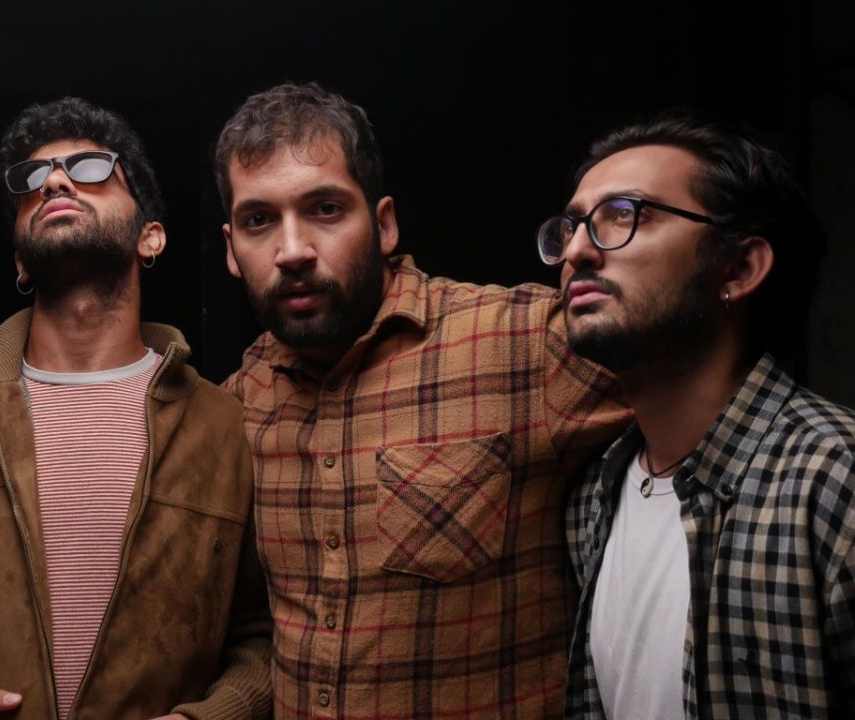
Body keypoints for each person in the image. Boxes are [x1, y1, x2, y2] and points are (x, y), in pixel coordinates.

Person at [215, 82, 631, 719]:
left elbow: (697, 370)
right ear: (230, 250)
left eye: (325, 209)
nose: (292, 250)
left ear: (383, 224)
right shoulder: (236, 404)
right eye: (258, 220)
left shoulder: (522, 345)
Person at [0, 97, 271, 720]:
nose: (53, 183)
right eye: (32, 178)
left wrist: (209, 718)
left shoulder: (226, 425)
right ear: (21, 259)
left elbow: (265, 629)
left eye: (91, 168)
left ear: (150, 236)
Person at [548, 114, 855, 718]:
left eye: (626, 214)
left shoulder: (834, 480)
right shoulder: (593, 495)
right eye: (573, 226)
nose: (577, 250)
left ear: (738, 269)